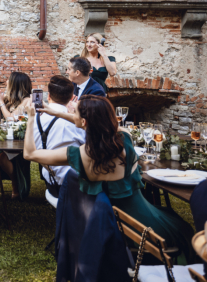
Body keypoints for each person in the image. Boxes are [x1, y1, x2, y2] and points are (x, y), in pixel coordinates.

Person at [25, 95, 195, 264]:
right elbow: (94, 124)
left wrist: (31, 119)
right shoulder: (125, 139)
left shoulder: (79, 154)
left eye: (74, 112)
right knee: (183, 228)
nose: (72, 113)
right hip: (148, 224)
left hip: (109, 228)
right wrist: (57, 113)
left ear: (84, 122)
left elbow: (30, 153)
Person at [32, 75, 86, 197]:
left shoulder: (34, 118)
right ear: (72, 98)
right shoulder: (78, 123)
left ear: (48, 96)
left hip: (51, 182)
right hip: (78, 185)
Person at [0, 72, 33, 199]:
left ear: (16, 84)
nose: (6, 82)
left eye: (8, 80)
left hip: (22, 140)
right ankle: (15, 183)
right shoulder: (12, 100)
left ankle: (16, 184)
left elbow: (11, 119)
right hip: (10, 137)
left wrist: (1, 103)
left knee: (2, 157)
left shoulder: (27, 100)